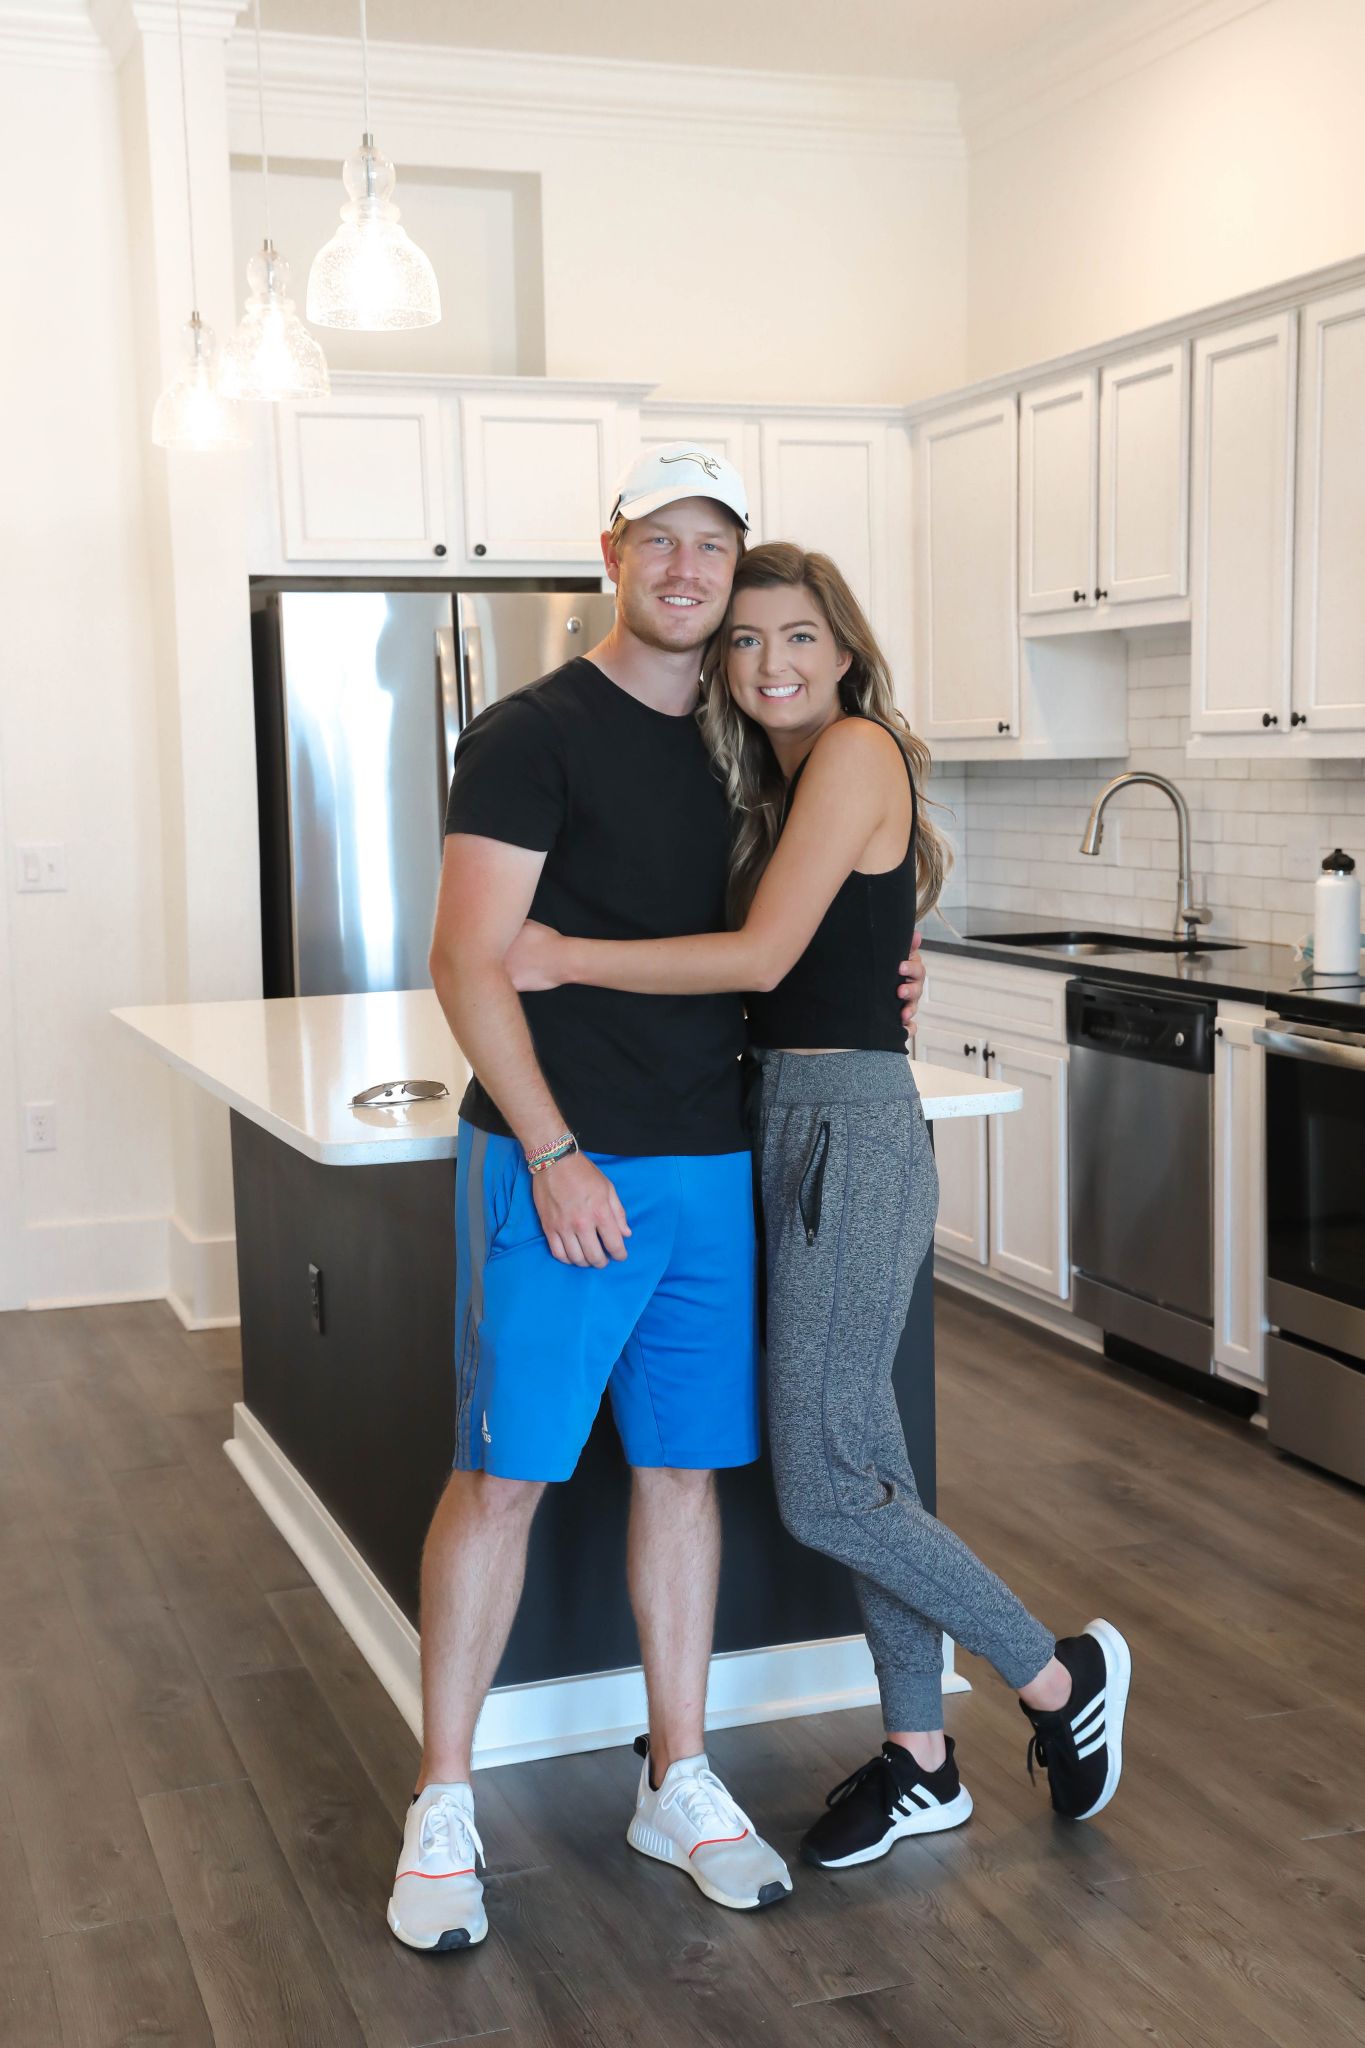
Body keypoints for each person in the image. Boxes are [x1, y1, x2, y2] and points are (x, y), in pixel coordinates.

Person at [506, 541, 1133, 1872]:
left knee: (824, 1491)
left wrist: (556, 955)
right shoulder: (768, 779)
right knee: (861, 1462)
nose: (769, 664)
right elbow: (804, 963)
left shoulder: (848, 752)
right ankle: (921, 1759)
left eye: (796, 637)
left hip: (843, 1132)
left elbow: (756, 955)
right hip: (780, 1122)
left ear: (842, 649)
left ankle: (1054, 1678)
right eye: (743, 642)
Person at [387, 446, 929, 1952]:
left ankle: (675, 1773)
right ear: (612, 551)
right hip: (563, 1159)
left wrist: (889, 957)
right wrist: (554, 1152)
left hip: (715, 1164)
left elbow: (807, 915)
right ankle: (444, 1798)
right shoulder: (529, 734)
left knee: (680, 1474)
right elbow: (466, 960)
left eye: (716, 549)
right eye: (663, 543)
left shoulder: (754, 743)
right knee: (505, 1477)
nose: (691, 575)